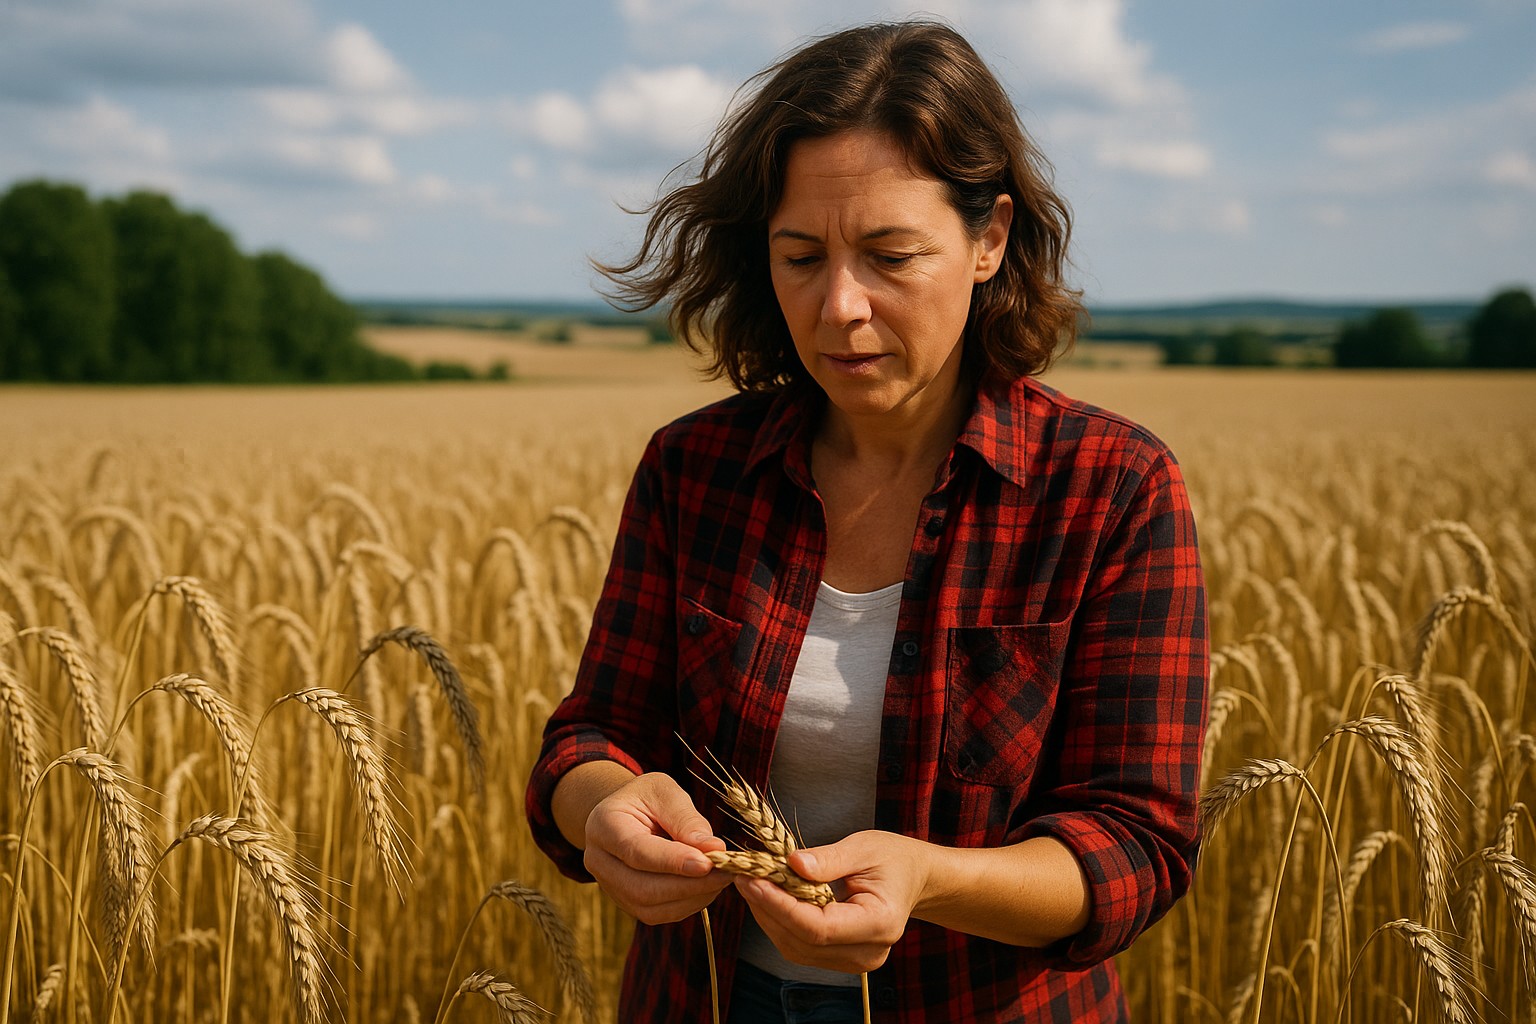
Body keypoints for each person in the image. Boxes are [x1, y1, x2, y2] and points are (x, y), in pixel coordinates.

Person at [526, 20, 1207, 1023]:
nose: (840, 307)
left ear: (990, 239)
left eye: (890, 256)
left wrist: (929, 879)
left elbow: (1136, 846)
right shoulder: (695, 468)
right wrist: (603, 809)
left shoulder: (1112, 488)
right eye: (800, 256)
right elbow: (592, 733)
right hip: (707, 999)